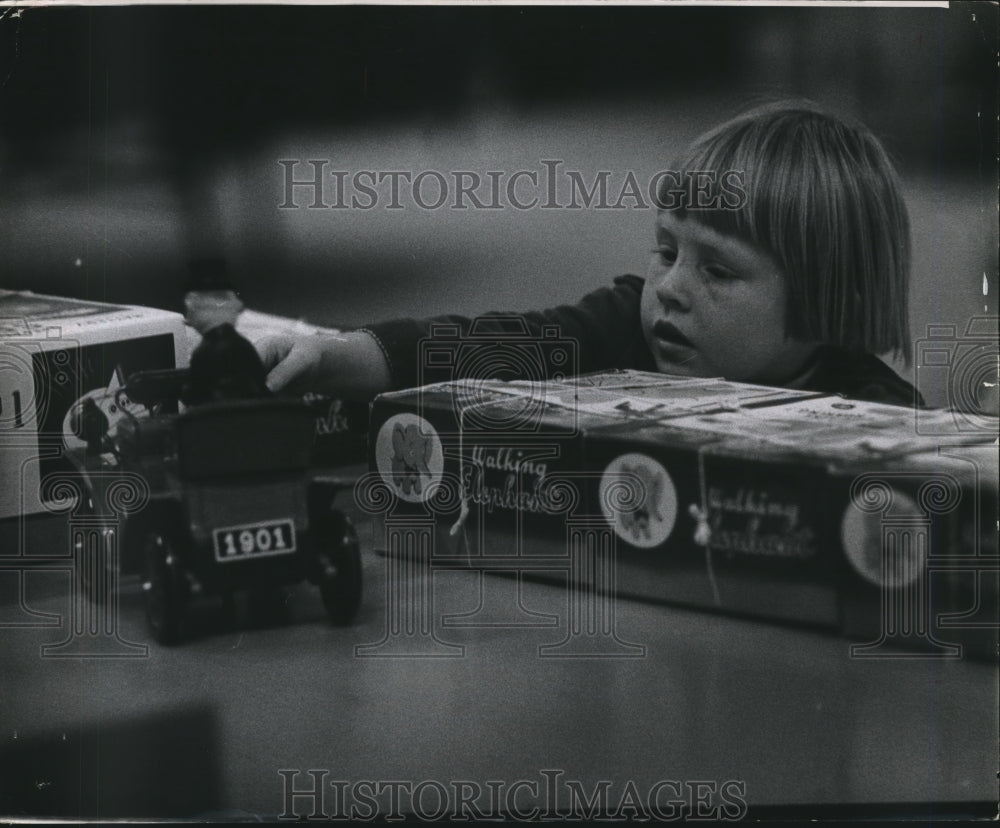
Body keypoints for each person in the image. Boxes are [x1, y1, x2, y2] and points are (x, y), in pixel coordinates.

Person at [257, 101, 921, 408]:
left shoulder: (881, 413)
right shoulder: (630, 325)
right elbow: (489, 344)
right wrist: (339, 355)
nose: (671, 289)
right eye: (666, 251)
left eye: (717, 270)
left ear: (835, 298)